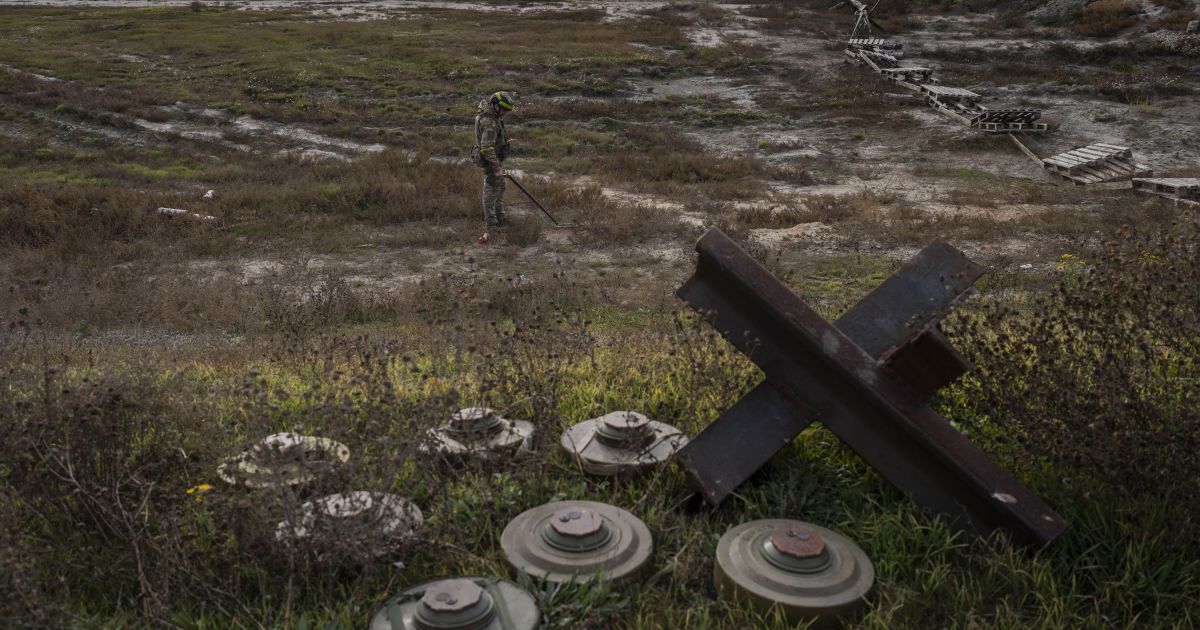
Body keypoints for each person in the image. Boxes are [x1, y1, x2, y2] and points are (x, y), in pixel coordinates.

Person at [474, 91, 514, 228]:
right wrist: (496, 168)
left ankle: (500, 218)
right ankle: (492, 224)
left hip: (495, 159)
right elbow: (486, 148)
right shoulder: (489, 122)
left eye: (507, 110)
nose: (505, 113)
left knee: (501, 187)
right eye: (504, 109)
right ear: (495, 105)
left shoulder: (494, 116)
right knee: (491, 191)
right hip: (491, 161)